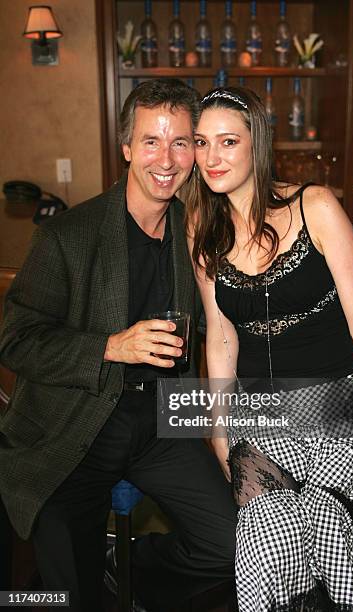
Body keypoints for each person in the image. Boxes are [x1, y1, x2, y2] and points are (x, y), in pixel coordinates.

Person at [0, 79, 237, 612]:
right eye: (151, 141)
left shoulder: (196, 229)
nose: (167, 158)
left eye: (181, 142)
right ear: (127, 148)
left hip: (160, 422)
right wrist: (110, 346)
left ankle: (126, 565)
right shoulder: (67, 235)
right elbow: (17, 341)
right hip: (76, 425)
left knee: (231, 546)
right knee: (68, 595)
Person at [185, 85, 353, 611]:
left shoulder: (316, 206)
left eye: (227, 142)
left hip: (345, 406)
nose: (211, 157)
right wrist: (220, 436)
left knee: (329, 526)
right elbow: (220, 339)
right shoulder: (202, 225)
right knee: (264, 535)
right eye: (201, 142)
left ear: (256, 145)